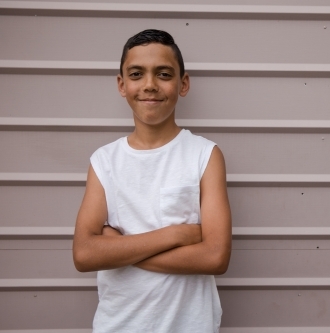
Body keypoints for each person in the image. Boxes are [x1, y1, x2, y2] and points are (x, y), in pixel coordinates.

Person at [73, 29, 232, 332]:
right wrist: (174, 235)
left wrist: (118, 249)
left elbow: (215, 257)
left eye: (163, 74)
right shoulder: (104, 162)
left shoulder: (205, 155)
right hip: (119, 325)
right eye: (136, 74)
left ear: (182, 84)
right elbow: (84, 254)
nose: (149, 85)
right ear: (122, 84)